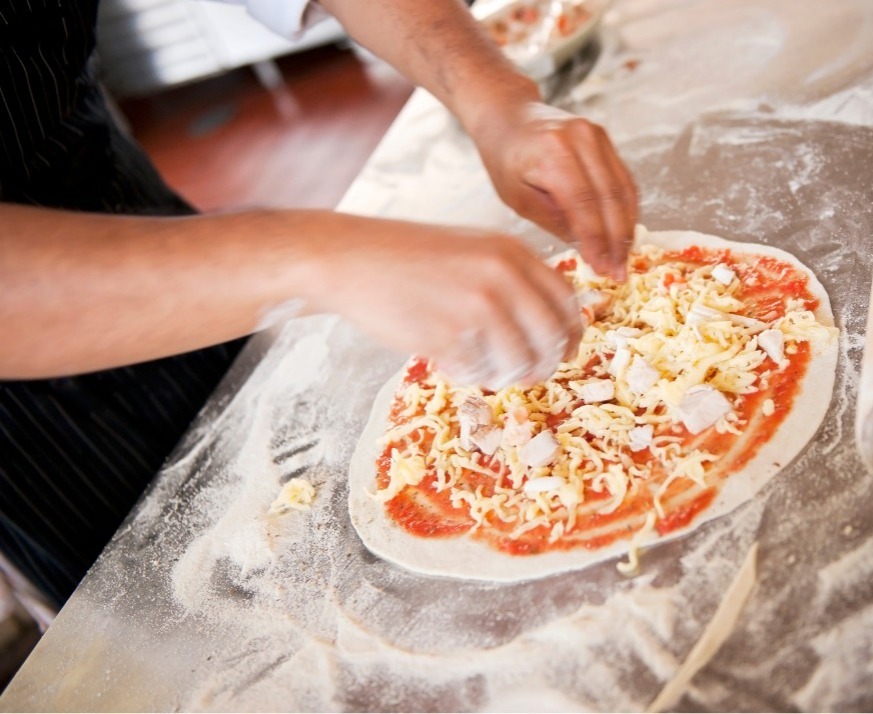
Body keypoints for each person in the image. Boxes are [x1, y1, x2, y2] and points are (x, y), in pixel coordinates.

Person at [0, 0, 638, 607]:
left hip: (136, 218)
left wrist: (494, 96)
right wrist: (308, 257)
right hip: (37, 426)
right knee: (190, 606)